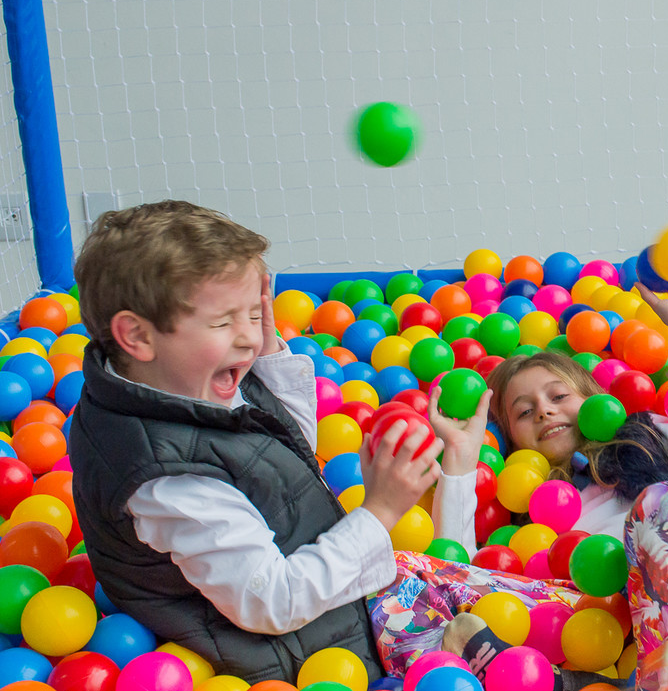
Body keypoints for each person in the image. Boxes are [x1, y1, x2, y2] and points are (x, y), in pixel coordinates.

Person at [70, 200, 444, 683]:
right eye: (224, 321)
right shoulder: (168, 478)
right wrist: (380, 512)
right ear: (137, 336)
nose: (247, 337)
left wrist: (262, 346)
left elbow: (283, 453)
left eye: (254, 313)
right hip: (301, 660)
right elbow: (274, 602)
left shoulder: (178, 382)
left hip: (335, 605)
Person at [371, 287, 668, 691]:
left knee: (663, 501)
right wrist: (461, 456)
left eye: (558, 397)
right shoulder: (526, 509)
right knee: (397, 572)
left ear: (591, 398)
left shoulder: (644, 437)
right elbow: (457, 569)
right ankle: (520, 680)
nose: (544, 411)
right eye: (524, 412)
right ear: (512, 439)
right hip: (611, 638)